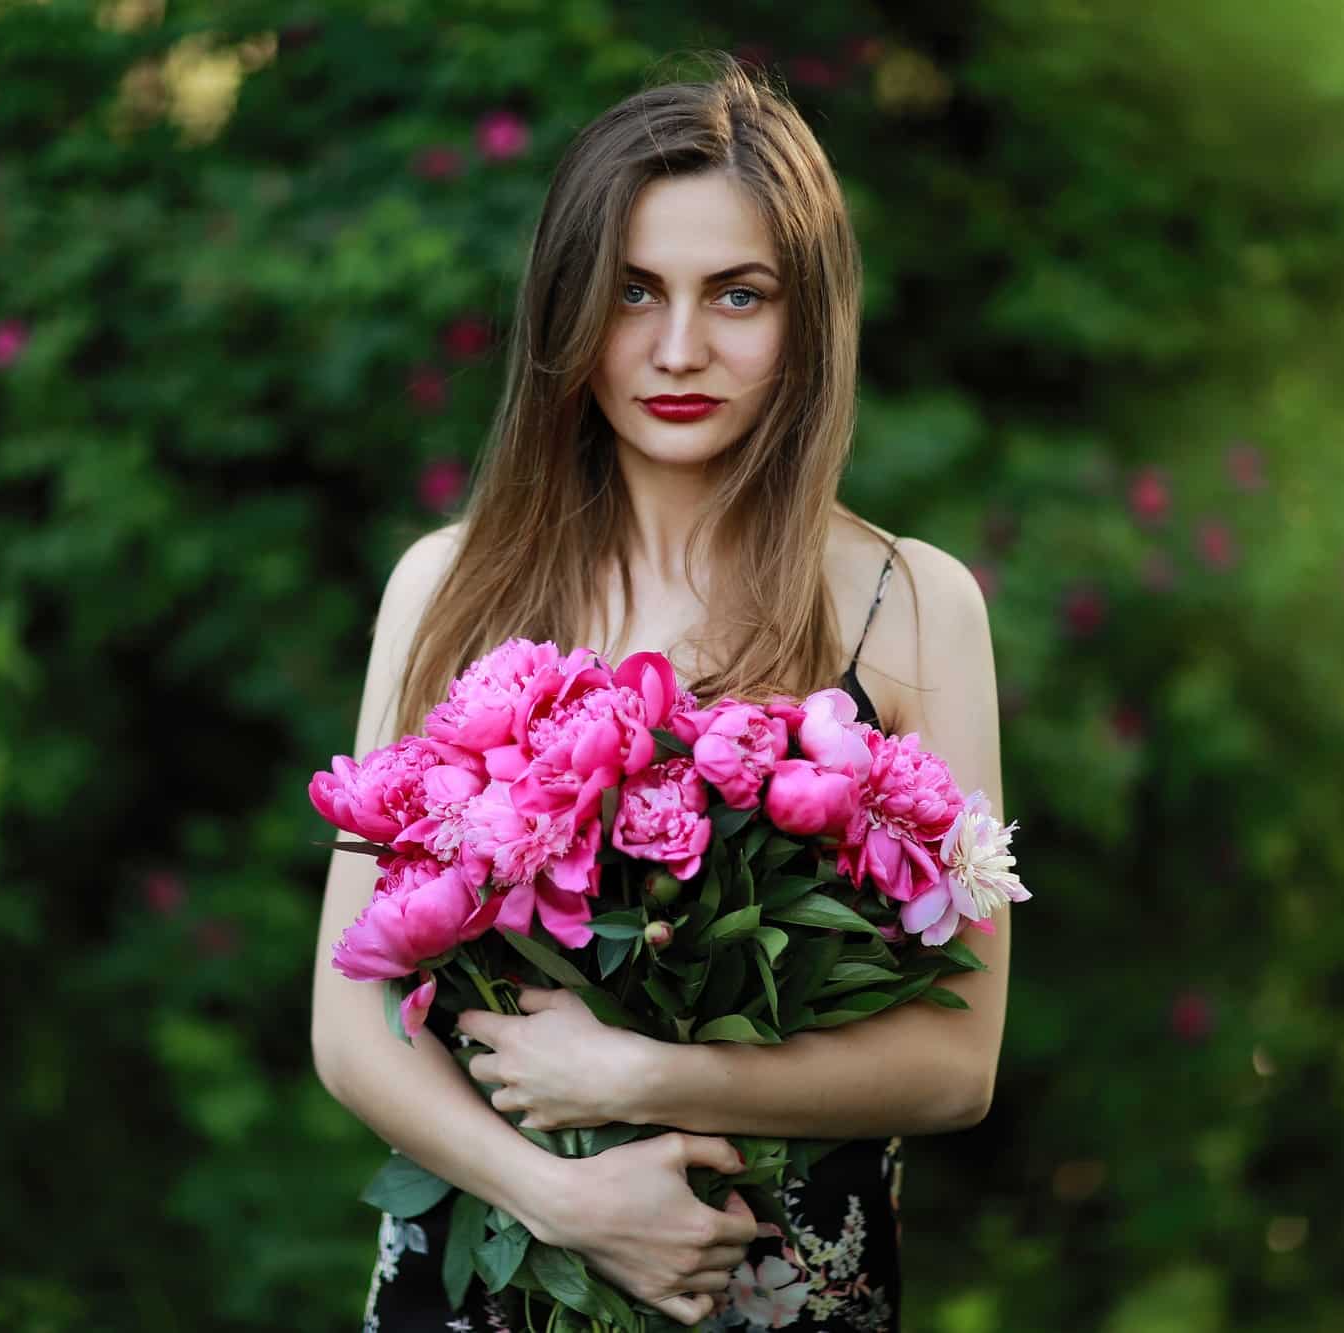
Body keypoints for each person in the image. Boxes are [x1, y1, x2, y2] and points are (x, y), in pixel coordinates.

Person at [311, 51, 1011, 1332]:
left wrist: (635, 1073)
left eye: (737, 295)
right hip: (488, 1277)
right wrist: (559, 1196)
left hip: (780, 1293)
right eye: (632, 291)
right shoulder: (447, 588)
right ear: (567, 306)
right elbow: (352, 1026)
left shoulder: (908, 607)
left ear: (807, 319)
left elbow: (955, 1063)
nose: (678, 349)